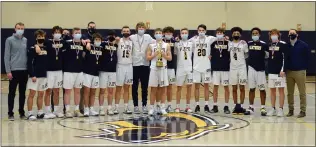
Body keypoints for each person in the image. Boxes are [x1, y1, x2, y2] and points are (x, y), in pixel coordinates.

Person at [36, 26, 65, 119]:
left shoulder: (63, 42)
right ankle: (48, 111)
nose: (57, 33)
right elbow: (38, 43)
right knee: (48, 91)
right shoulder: (48, 42)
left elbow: (71, 40)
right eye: (55, 32)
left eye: (59, 32)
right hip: (49, 71)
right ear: (52, 34)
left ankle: (56, 111)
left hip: (59, 70)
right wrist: (36, 45)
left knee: (57, 91)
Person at [4, 22, 28, 121]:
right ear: (15, 29)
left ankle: (22, 112)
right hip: (14, 70)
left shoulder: (25, 40)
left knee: (22, 93)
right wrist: (8, 71)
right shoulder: (9, 40)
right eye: (18, 28)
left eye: (22, 28)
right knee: (12, 93)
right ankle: (10, 113)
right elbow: (6, 56)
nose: (20, 30)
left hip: (24, 70)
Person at [130, 22, 155, 114]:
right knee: (134, 86)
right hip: (135, 64)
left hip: (145, 64)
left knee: (144, 87)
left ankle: (144, 105)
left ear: (145, 29)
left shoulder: (148, 37)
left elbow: (156, 42)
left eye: (142, 27)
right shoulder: (132, 37)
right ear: (136, 28)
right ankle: (136, 106)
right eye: (139, 27)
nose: (141, 29)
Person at [146, 28, 172, 115]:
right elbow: (148, 58)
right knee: (153, 89)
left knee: (163, 89)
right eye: (156, 33)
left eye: (160, 33)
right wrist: (154, 54)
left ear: (162, 34)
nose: (158, 34)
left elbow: (170, 58)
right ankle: (152, 108)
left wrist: (164, 54)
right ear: (154, 35)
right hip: (154, 68)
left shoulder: (166, 45)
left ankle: (162, 107)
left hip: (163, 68)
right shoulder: (151, 45)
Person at [191, 24, 216, 113]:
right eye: (199, 30)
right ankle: (197, 105)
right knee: (196, 87)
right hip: (196, 67)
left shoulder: (210, 38)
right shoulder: (193, 39)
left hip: (206, 67)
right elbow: (185, 42)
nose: (201, 32)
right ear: (197, 31)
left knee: (206, 86)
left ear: (205, 31)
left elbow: (220, 40)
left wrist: (212, 54)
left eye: (203, 30)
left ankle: (206, 105)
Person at [285, 29, 310, 118]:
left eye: (293, 33)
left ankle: (303, 111)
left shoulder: (303, 45)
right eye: (290, 33)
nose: (291, 34)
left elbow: (307, 58)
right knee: (290, 93)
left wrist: (303, 68)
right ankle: (291, 110)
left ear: (297, 35)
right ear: (288, 35)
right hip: (289, 72)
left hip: (300, 71)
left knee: (302, 92)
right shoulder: (286, 46)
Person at [62, 27, 86, 118]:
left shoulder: (82, 44)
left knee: (77, 91)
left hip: (79, 71)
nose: (77, 34)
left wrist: (85, 42)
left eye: (79, 32)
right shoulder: (67, 43)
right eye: (76, 33)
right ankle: (67, 110)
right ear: (72, 34)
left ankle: (76, 109)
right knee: (67, 91)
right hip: (68, 71)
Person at [245, 27, 269, 116]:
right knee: (251, 89)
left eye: (256, 33)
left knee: (262, 89)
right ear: (251, 35)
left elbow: (267, 56)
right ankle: (251, 107)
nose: (255, 35)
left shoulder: (264, 44)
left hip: (261, 69)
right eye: (253, 33)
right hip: (251, 68)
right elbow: (246, 54)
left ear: (259, 34)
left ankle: (263, 107)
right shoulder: (248, 44)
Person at [26, 30, 48, 120]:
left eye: (42, 36)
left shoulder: (47, 48)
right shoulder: (32, 48)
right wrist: (32, 74)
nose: (41, 38)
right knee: (32, 94)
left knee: (41, 94)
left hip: (43, 75)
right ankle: (30, 113)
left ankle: (40, 112)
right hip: (35, 75)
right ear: (36, 38)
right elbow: (29, 63)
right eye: (39, 36)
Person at [266, 29, 287, 117]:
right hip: (271, 71)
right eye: (272, 34)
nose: (273, 35)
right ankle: (273, 108)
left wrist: (283, 69)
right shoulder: (269, 45)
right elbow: (268, 56)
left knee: (281, 90)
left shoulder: (283, 44)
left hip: (279, 72)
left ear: (278, 35)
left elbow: (285, 58)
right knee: (272, 91)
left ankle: (281, 109)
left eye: (275, 34)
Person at [228, 27, 248, 114]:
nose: (236, 34)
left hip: (242, 67)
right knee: (234, 88)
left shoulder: (244, 43)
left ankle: (242, 106)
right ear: (232, 35)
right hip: (233, 68)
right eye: (234, 33)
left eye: (237, 33)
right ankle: (236, 105)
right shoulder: (229, 44)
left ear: (240, 35)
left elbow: (246, 55)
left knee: (242, 87)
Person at [210, 27, 230, 114]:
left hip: (225, 68)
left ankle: (226, 106)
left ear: (223, 33)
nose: (219, 34)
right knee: (215, 87)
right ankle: (215, 106)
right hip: (215, 68)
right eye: (217, 32)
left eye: (220, 32)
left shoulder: (228, 43)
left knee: (226, 87)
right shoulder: (213, 43)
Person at [98, 30, 118, 115]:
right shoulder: (103, 44)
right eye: (109, 36)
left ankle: (109, 108)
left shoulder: (116, 45)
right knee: (102, 90)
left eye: (112, 35)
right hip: (103, 71)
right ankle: (101, 108)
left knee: (111, 91)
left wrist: (116, 40)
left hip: (113, 71)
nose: (111, 37)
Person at [115, 26, 134, 114]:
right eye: (124, 31)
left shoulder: (132, 42)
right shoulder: (119, 41)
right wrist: (116, 40)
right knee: (118, 88)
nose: (126, 32)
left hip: (129, 66)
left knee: (127, 88)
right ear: (121, 32)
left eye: (127, 31)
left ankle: (126, 107)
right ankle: (116, 107)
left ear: (130, 32)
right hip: (120, 66)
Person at [174, 28, 194, 113]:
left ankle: (188, 106)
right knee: (179, 88)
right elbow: (174, 53)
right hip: (180, 68)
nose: (184, 34)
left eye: (186, 33)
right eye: (182, 33)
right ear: (180, 34)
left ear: (188, 34)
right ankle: (177, 106)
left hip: (189, 68)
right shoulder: (177, 44)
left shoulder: (191, 44)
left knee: (189, 88)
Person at [82, 33, 100, 117]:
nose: (98, 41)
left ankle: (91, 108)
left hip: (96, 73)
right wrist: (88, 43)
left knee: (93, 92)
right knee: (86, 91)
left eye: (99, 39)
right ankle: (86, 109)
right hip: (87, 73)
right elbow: (83, 56)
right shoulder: (88, 47)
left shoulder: (102, 48)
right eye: (96, 39)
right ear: (93, 40)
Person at [162, 26, 176, 112]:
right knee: (161, 87)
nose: (168, 34)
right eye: (167, 33)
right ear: (164, 33)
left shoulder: (175, 42)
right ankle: (160, 105)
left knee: (170, 87)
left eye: (170, 33)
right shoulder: (160, 42)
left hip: (171, 67)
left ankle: (169, 105)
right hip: (162, 67)